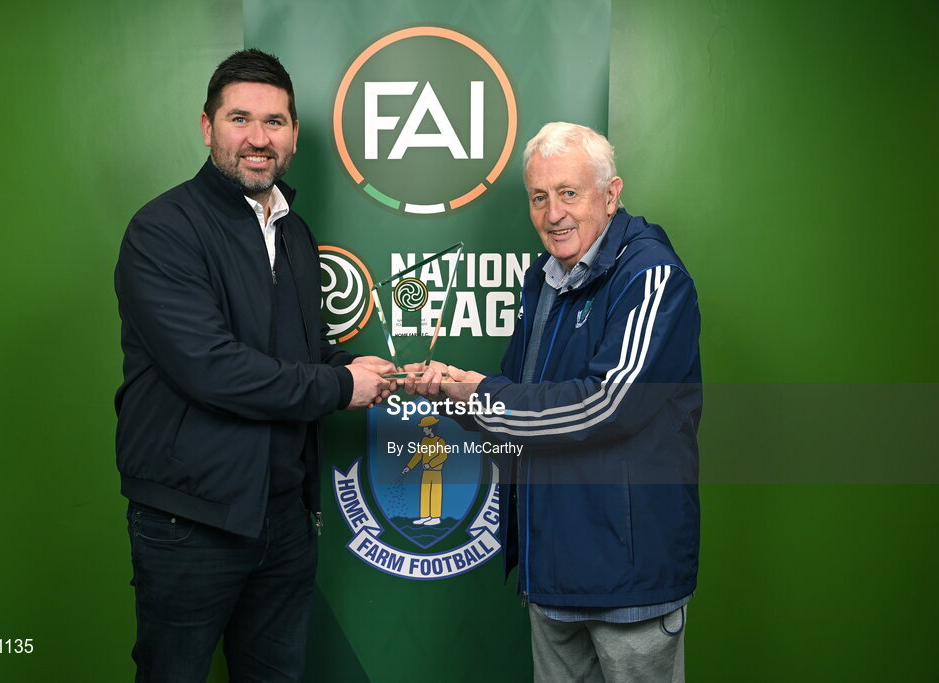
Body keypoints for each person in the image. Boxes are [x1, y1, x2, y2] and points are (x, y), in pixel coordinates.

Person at [114, 49, 394, 682]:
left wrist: (362, 370)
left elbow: (299, 354)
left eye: (275, 122)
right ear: (207, 126)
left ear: (294, 135)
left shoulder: (295, 233)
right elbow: (211, 369)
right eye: (240, 118)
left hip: (285, 519)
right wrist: (339, 384)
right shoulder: (162, 231)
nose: (258, 138)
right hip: (190, 521)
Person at [406, 122, 701, 682]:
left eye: (570, 193)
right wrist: (453, 392)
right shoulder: (543, 279)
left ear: (611, 195)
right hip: (552, 571)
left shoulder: (652, 274)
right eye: (539, 197)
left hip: (626, 578)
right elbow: (520, 404)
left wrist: (483, 392)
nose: (553, 213)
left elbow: (605, 404)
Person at [401, 415, 448, 525]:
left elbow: (443, 456)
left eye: (425, 427)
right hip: (425, 472)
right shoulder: (424, 440)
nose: (423, 430)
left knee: (435, 493)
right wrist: (409, 467)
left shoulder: (440, 441)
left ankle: (435, 517)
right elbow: (418, 455)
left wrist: (430, 464)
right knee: (425, 493)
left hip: (436, 472)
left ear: (430, 428)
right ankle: (425, 516)